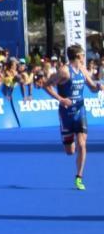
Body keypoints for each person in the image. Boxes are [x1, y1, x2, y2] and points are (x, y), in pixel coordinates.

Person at [44, 44, 102, 190]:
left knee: (82, 144)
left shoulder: (82, 69)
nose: (84, 58)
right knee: (70, 151)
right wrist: (61, 99)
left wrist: (98, 87)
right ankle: (70, 142)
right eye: (83, 55)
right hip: (65, 113)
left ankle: (79, 178)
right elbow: (46, 85)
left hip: (80, 111)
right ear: (77, 56)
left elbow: (92, 88)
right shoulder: (64, 71)